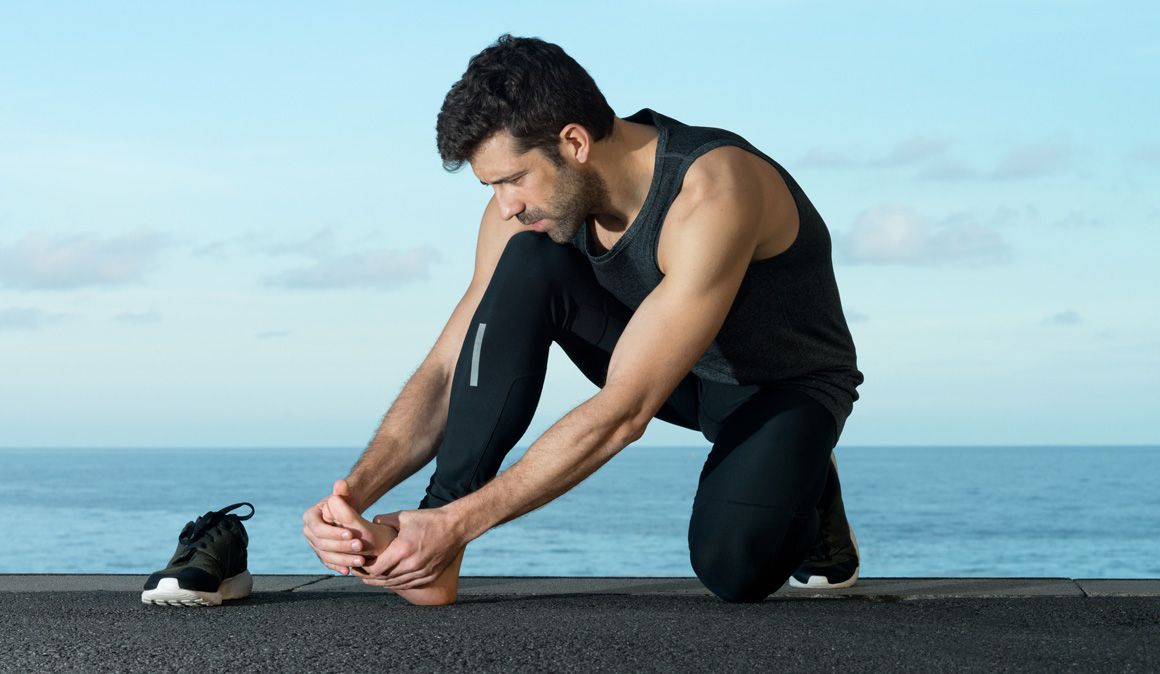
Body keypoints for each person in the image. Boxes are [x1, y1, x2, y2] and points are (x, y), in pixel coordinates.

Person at [302, 34, 864, 605]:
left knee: (732, 567)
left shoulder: (712, 191)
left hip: (779, 389)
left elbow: (626, 410)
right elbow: (451, 368)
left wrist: (460, 523)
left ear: (574, 142)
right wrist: (351, 497)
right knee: (528, 259)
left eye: (513, 178)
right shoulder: (524, 212)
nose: (505, 205)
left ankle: (810, 477)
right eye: (490, 185)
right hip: (676, 372)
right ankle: (434, 550)